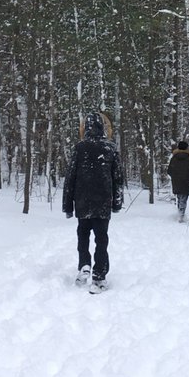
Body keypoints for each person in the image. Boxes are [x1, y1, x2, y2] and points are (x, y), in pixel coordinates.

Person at [63, 111, 125, 292]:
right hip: (102, 201)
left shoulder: (79, 148)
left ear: (85, 128)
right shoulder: (110, 148)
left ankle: (84, 264)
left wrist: (67, 205)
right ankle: (99, 275)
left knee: (83, 234)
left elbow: (70, 178)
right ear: (102, 127)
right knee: (101, 238)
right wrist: (117, 203)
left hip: (82, 201)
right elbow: (118, 178)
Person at [167, 140, 189, 221]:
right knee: (184, 197)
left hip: (176, 181)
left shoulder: (174, 158)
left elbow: (169, 170)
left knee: (179, 197)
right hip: (186, 180)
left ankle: (180, 213)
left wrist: (175, 176)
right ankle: (181, 215)